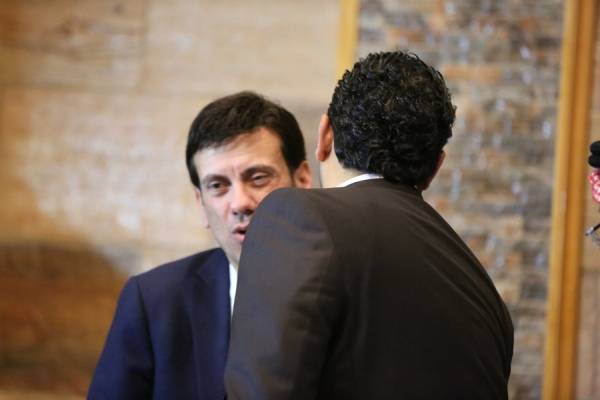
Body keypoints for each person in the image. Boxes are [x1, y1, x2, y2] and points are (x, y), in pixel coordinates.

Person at [225, 52, 514, 399]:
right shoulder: (482, 290)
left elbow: (264, 389)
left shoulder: (297, 217)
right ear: (435, 168)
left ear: (325, 135)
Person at [88, 91, 312, 399]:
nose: (240, 203)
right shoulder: (155, 302)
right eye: (217, 186)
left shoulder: (353, 290)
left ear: (303, 181)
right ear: (200, 203)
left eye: (258, 178)